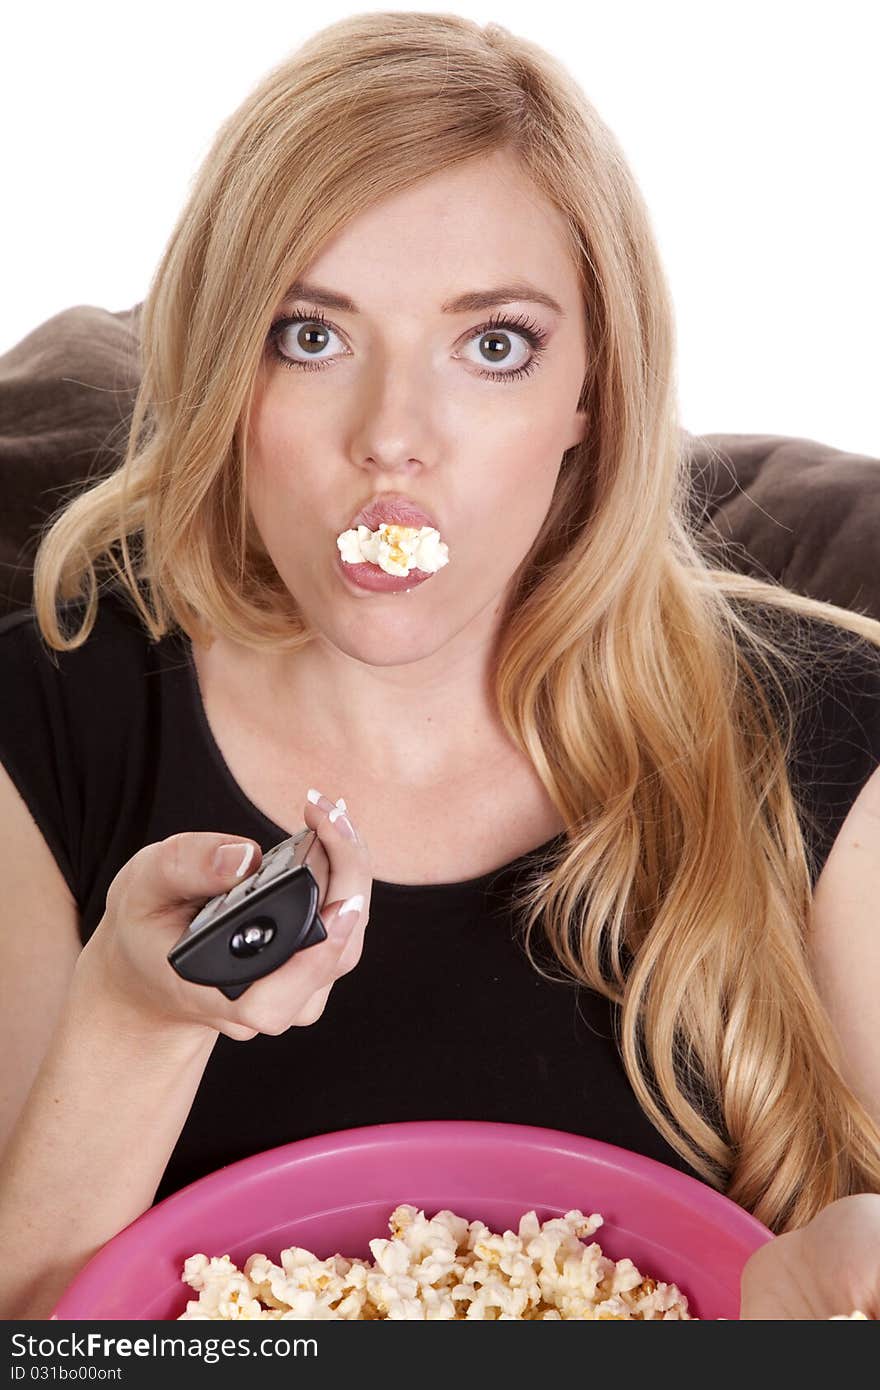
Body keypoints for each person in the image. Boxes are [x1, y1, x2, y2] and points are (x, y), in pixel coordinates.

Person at [1, 11, 878, 1322]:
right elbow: (31, 1327)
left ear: (594, 387)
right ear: (217, 368)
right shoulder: (51, 723)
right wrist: (141, 1015)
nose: (393, 438)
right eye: (311, 334)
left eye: (494, 344)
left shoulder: (826, 742)